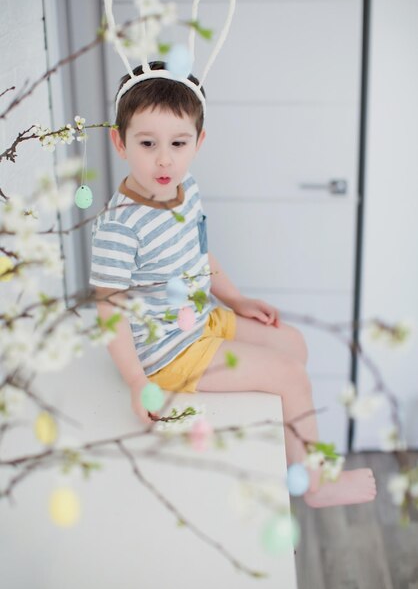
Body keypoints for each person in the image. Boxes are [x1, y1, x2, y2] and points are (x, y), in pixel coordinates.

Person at [89, 60, 377, 509]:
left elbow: (199, 255)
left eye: (178, 144)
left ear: (198, 143)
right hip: (169, 352)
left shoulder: (187, 189)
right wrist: (134, 379)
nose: (164, 159)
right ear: (119, 141)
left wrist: (237, 299)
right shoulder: (120, 225)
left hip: (202, 318)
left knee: (293, 344)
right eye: (147, 143)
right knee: (291, 375)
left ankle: (285, 446)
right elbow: (108, 308)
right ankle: (316, 486)